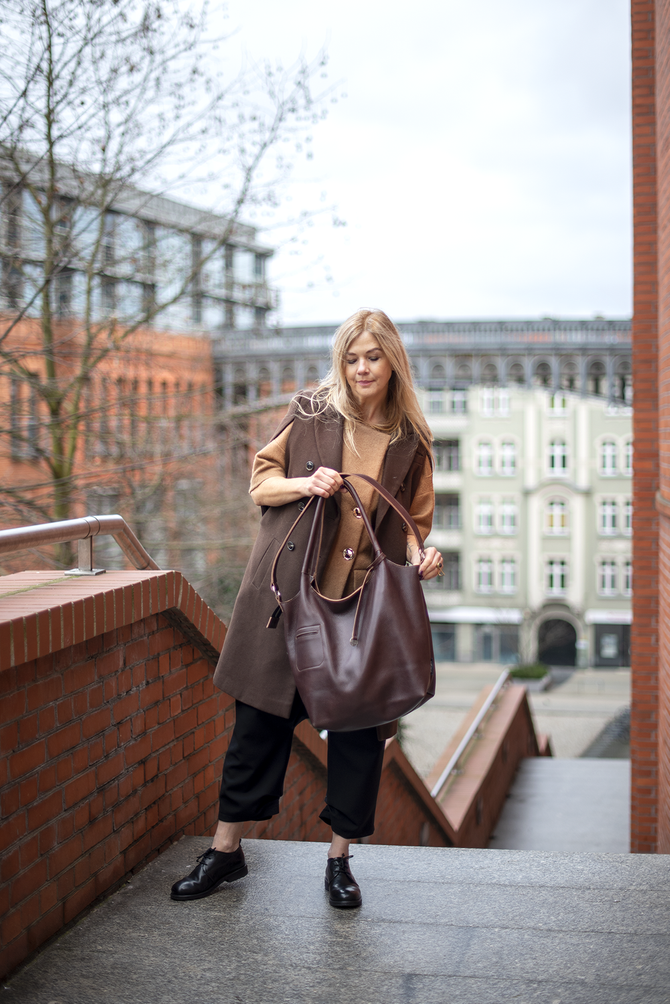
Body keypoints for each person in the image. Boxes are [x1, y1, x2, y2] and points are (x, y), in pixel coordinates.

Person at [171, 308, 443, 908]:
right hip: (287, 605)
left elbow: (412, 529)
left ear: (392, 362)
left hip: (360, 618)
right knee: (256, 730)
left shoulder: (410, 443)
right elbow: (261, 482)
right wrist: (306, 483)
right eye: (351, 358)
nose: (362, 369)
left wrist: (425, 558)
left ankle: (339, 863)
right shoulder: (311, 414)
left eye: (372, 357)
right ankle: (224, 853)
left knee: (357, 741)